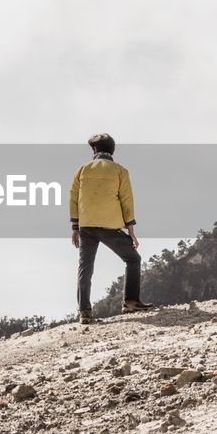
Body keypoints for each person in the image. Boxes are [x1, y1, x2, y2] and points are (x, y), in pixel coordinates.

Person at [70, 133, 155, 324]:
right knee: (133, 258)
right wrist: (131, 230)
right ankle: (130, 302)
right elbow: (127, 200)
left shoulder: (82, 170)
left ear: (94, 150)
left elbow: (73, 197)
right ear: (112, 150)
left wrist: (75, 226)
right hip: (109, 225)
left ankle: (84, 312)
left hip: (86, 225)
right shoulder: (120, 171)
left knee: (85, 268)